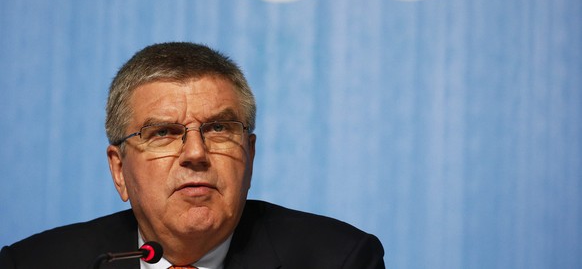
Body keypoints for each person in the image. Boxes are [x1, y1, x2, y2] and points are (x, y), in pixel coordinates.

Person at [0, 42, 385, 268]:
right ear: (119, 170)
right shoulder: (33, 263)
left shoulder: (339, 260)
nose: (196, 153)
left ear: (249, 156)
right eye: (164, 133)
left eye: (219, 129)